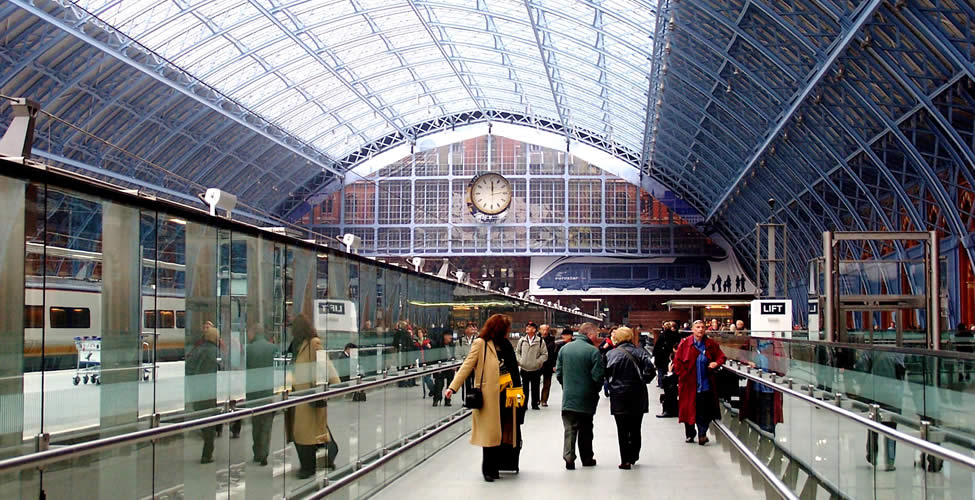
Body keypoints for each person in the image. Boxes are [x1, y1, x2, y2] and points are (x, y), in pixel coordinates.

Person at [444, 314, 525, 482]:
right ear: (499, 329)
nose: (509, 331)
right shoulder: (481, 344)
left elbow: (514, 369)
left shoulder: (506, 345)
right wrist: (453, 386)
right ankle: (488, 469)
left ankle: (498, 466)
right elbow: (467, 365)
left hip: (507, 395)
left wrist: (518, 392)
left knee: (502, 431)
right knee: (490, 433)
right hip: (489, 398)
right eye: (506, 328)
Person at [290, 314, 340, 479]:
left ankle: (308, 466)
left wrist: (331, 384)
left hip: (311, 395)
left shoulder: (313, 343)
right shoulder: (300, 345)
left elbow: (323, 363)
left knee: (306, 432)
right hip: (302, 396)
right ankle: (325, 458)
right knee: (313, 431)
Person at [555, 322, 605, 470]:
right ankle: (587, 458)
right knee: (586, 429)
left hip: (569, 397)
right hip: (586, 398)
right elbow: (598, 377)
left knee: (569, 428)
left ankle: (569, 458)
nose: (597, 337)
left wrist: (567, 386)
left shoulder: (564, 349)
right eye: (596, 334)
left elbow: (558, 373)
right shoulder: (593, 352)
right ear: (589, 334)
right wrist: (594, 390)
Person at [605, 327, 654, 469]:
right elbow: (650, 370)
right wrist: (643, 381)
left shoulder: (611, 354)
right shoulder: (641, 352)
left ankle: (625, 459)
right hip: (637, 394)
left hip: (618, 396)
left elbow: (605, 373)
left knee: (622, 429)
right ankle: (634, 454)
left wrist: (612, 384)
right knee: (636, 427)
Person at [673, 319, 727, 445]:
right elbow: (678, 363)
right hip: (688, 384)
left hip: (705, 384)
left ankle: (702, 434)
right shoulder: (685, 343)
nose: (700, 329)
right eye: (697, 327)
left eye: (703, 327)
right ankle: (690, 433)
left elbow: (721, 356)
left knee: (704, 411)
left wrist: (716, 363)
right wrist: (683, 376)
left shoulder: (710, 344)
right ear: (692, 329)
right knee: (688, 409)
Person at [186, 323, 221, 464]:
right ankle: (207, 455)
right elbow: (208, 374)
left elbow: (190, 368)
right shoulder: (212, 351)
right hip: (206, 392)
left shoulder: (198, 349)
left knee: (205, 421)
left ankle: (207, 452)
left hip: (197, 390)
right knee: (209, 425)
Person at [246, 325, 278, 466]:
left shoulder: (249, 349)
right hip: (267, 391)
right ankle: (264, 451)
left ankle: (257, 452)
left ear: (254, 333)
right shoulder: (271, 347)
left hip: (253, 392)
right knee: (266, 424)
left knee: (256, 424)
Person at [741, 341, 782, 434]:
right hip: (756, 385)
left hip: (770, 386)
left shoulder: (775, 344)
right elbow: (740, 355)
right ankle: (762, 432)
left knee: (768, 411)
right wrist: (747, 362)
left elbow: (782, 366)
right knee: (759, 411)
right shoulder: (751, 341)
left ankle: (768, 433)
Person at [515, 321, 548, 410]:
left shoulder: (540, 341)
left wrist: (538, 362)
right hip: (524, 368)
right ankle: (524, 404)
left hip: (535, 369)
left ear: (534, 330)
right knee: (524, 388)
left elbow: (544, 354)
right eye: (527, 326)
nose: (527, 328)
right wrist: (520, 361)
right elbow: (517, 352)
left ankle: (535, 404)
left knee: (535, 387)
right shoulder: (522, 340)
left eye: (530, 327)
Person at [432, 330, 455, 407]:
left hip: (450, 367)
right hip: (440, 367)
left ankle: (447, 400)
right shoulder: (438, 345)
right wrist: (437, 367)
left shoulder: (452, 345)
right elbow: (434, 356)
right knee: (439, 384)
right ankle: (436, 399)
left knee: (450, 385)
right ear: (445, 336)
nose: (451, 337)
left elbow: (454, 355)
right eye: (449, 335)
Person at [539, 324, 557, 407]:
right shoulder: (536, 339)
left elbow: (553, 354)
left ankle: (544, 400)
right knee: (535, 383)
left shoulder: (551, 340)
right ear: (539, 330)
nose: (545, 332)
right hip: (538, 364)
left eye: (546, 330)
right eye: (543, 330)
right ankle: (536, 400)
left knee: (547, 383)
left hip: (548, 364)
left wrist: (554, 365)